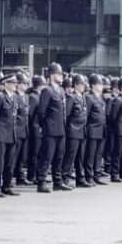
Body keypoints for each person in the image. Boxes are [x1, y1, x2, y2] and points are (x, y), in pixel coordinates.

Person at [36, 63, 68, 193]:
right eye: (59, 74)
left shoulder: (60, 90)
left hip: (60, 129)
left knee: (59, 156)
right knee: (47, 157)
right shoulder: (47, 91)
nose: (61, 77)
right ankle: (41, 182)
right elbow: (41, 112)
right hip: (50, 130)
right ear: (52, 75)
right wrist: (46, 126)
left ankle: (57, 181)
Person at [0, 74, 19, 197]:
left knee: (9, 163)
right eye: (12, 83)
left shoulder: (14, 98)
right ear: (5, 84)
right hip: (0, 133)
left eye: (15, 83)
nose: (15, 85)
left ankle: (7, 186)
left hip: (11, 134)